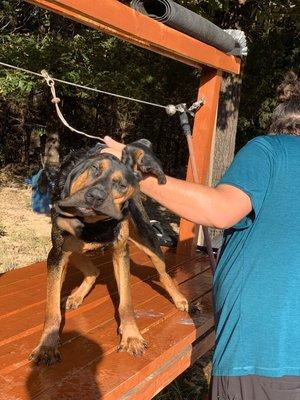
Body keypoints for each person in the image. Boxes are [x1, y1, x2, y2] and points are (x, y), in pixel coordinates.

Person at [102, 71, 300, 400]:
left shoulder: (269, 150)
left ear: (278, 128)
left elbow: (219, 211)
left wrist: (134, 173)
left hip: (261, 359)